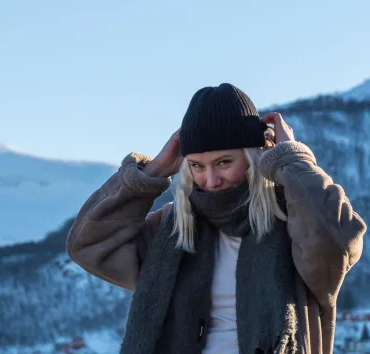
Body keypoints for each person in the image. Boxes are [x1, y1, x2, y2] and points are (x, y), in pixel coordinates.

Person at [66, 83, 366, 354]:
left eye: (224, 162)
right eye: (197, 165)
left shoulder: (293, 218)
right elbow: (88, 245)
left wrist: (293, 160)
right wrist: (152, 173)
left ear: (252, 156)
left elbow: (338, 243)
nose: (210, 179)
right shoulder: (172, 229)